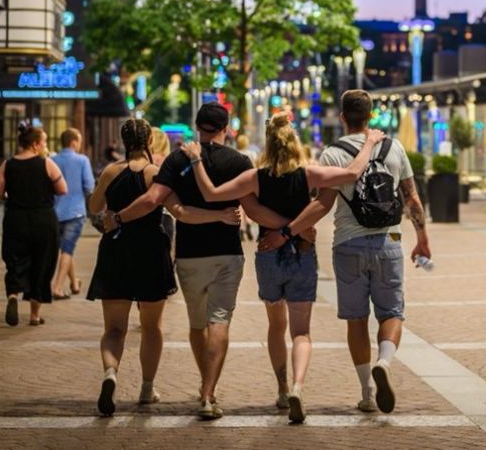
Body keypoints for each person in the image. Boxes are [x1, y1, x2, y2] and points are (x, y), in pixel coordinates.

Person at [183, 113, 385, 423]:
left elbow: (212, 194)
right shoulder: (308, 174)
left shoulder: (254, 178)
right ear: (295, 145)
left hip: (268, 255)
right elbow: (352, 173)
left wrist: (196, 160)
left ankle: (279, 389)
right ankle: (297, 387)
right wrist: (370, 141)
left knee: (276, 327)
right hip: (301, 254)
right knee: (301, 332)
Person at [104, 103, 284, 420]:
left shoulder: (177, 159)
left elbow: (153, 200)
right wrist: (288, 230)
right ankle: (208, 392)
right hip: (227, 254)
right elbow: (253, 210)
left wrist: (117, 217)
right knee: (220, 322)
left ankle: (205, 383)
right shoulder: (239, 161)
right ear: (226, 127)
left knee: (197, 326)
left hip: (189, 255)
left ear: (197, 126)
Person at [278, 90, 431, 415]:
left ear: (343, 116)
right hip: (388, 241)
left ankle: (367, 392)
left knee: (356, 319)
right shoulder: (393, 147)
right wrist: (422, 237)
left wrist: (291, 230)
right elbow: (412, 198)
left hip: (347, 243)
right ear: (372, 114)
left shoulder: (332, 153)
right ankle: (385, 363)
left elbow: (323, 203)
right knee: (391, 313)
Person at [87, 118, 240, 416]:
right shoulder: (155, 174)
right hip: (149, 252)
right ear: (147, 142)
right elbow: (180, 211)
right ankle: (147, 387)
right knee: (151, 327)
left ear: (122, 141)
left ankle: (110, 373)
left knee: (114, 329)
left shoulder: (109, 171)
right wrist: (218, 216)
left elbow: (94, 207)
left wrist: (109, 205)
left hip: (115, 250)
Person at [0, 124, 67, 326]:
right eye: (43, 141)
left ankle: (13, 296)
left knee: (15, 260)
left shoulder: (7, 165)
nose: (45, 145)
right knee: (42, 263)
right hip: (43, 219)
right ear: (35, 144)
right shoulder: (46, 164)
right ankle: (34, 315)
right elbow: (63, 189)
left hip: (16, 219)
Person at [50, 128, 95, 299]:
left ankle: (74, 283)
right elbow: (89, 186)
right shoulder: (82, 160)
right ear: (74, 142)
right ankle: (57, 287)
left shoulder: (51, 160)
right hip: (75, 212)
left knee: (66, 249)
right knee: (67, 250)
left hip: (55, 211)